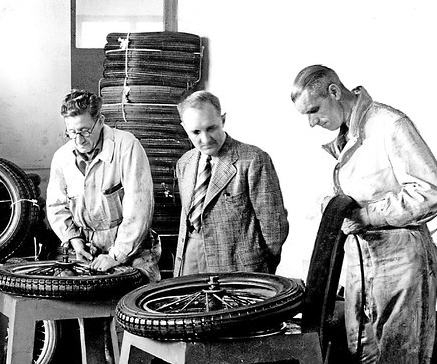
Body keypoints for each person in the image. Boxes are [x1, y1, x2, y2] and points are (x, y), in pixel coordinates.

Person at [292, 65, 437, 364]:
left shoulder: (389, 125)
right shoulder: (348, 135)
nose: (311, 122)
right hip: (363, 262)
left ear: (335, 92)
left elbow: (433, 191)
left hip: (403, 261)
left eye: (314, 110)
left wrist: (367, 215)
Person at [46, 89, 161, 282]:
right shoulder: (62, 157)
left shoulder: (127, 146)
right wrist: (75, 241)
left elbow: (139, 211)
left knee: (135, 303)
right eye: (72, 132)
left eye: (84, 131)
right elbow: (56, 207)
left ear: (100, 121)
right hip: (88, 249)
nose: (79, 140)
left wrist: (116, 255)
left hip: (133, 249)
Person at [175, 91, 289, 275]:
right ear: (184, 128)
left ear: (223, 120)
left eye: (211, 128)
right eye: (195, 132)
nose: (205, 139)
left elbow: (274, 227)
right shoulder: (184, 163)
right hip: (191, 257)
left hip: (237, 266)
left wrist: (259, 267)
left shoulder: (252, 160)